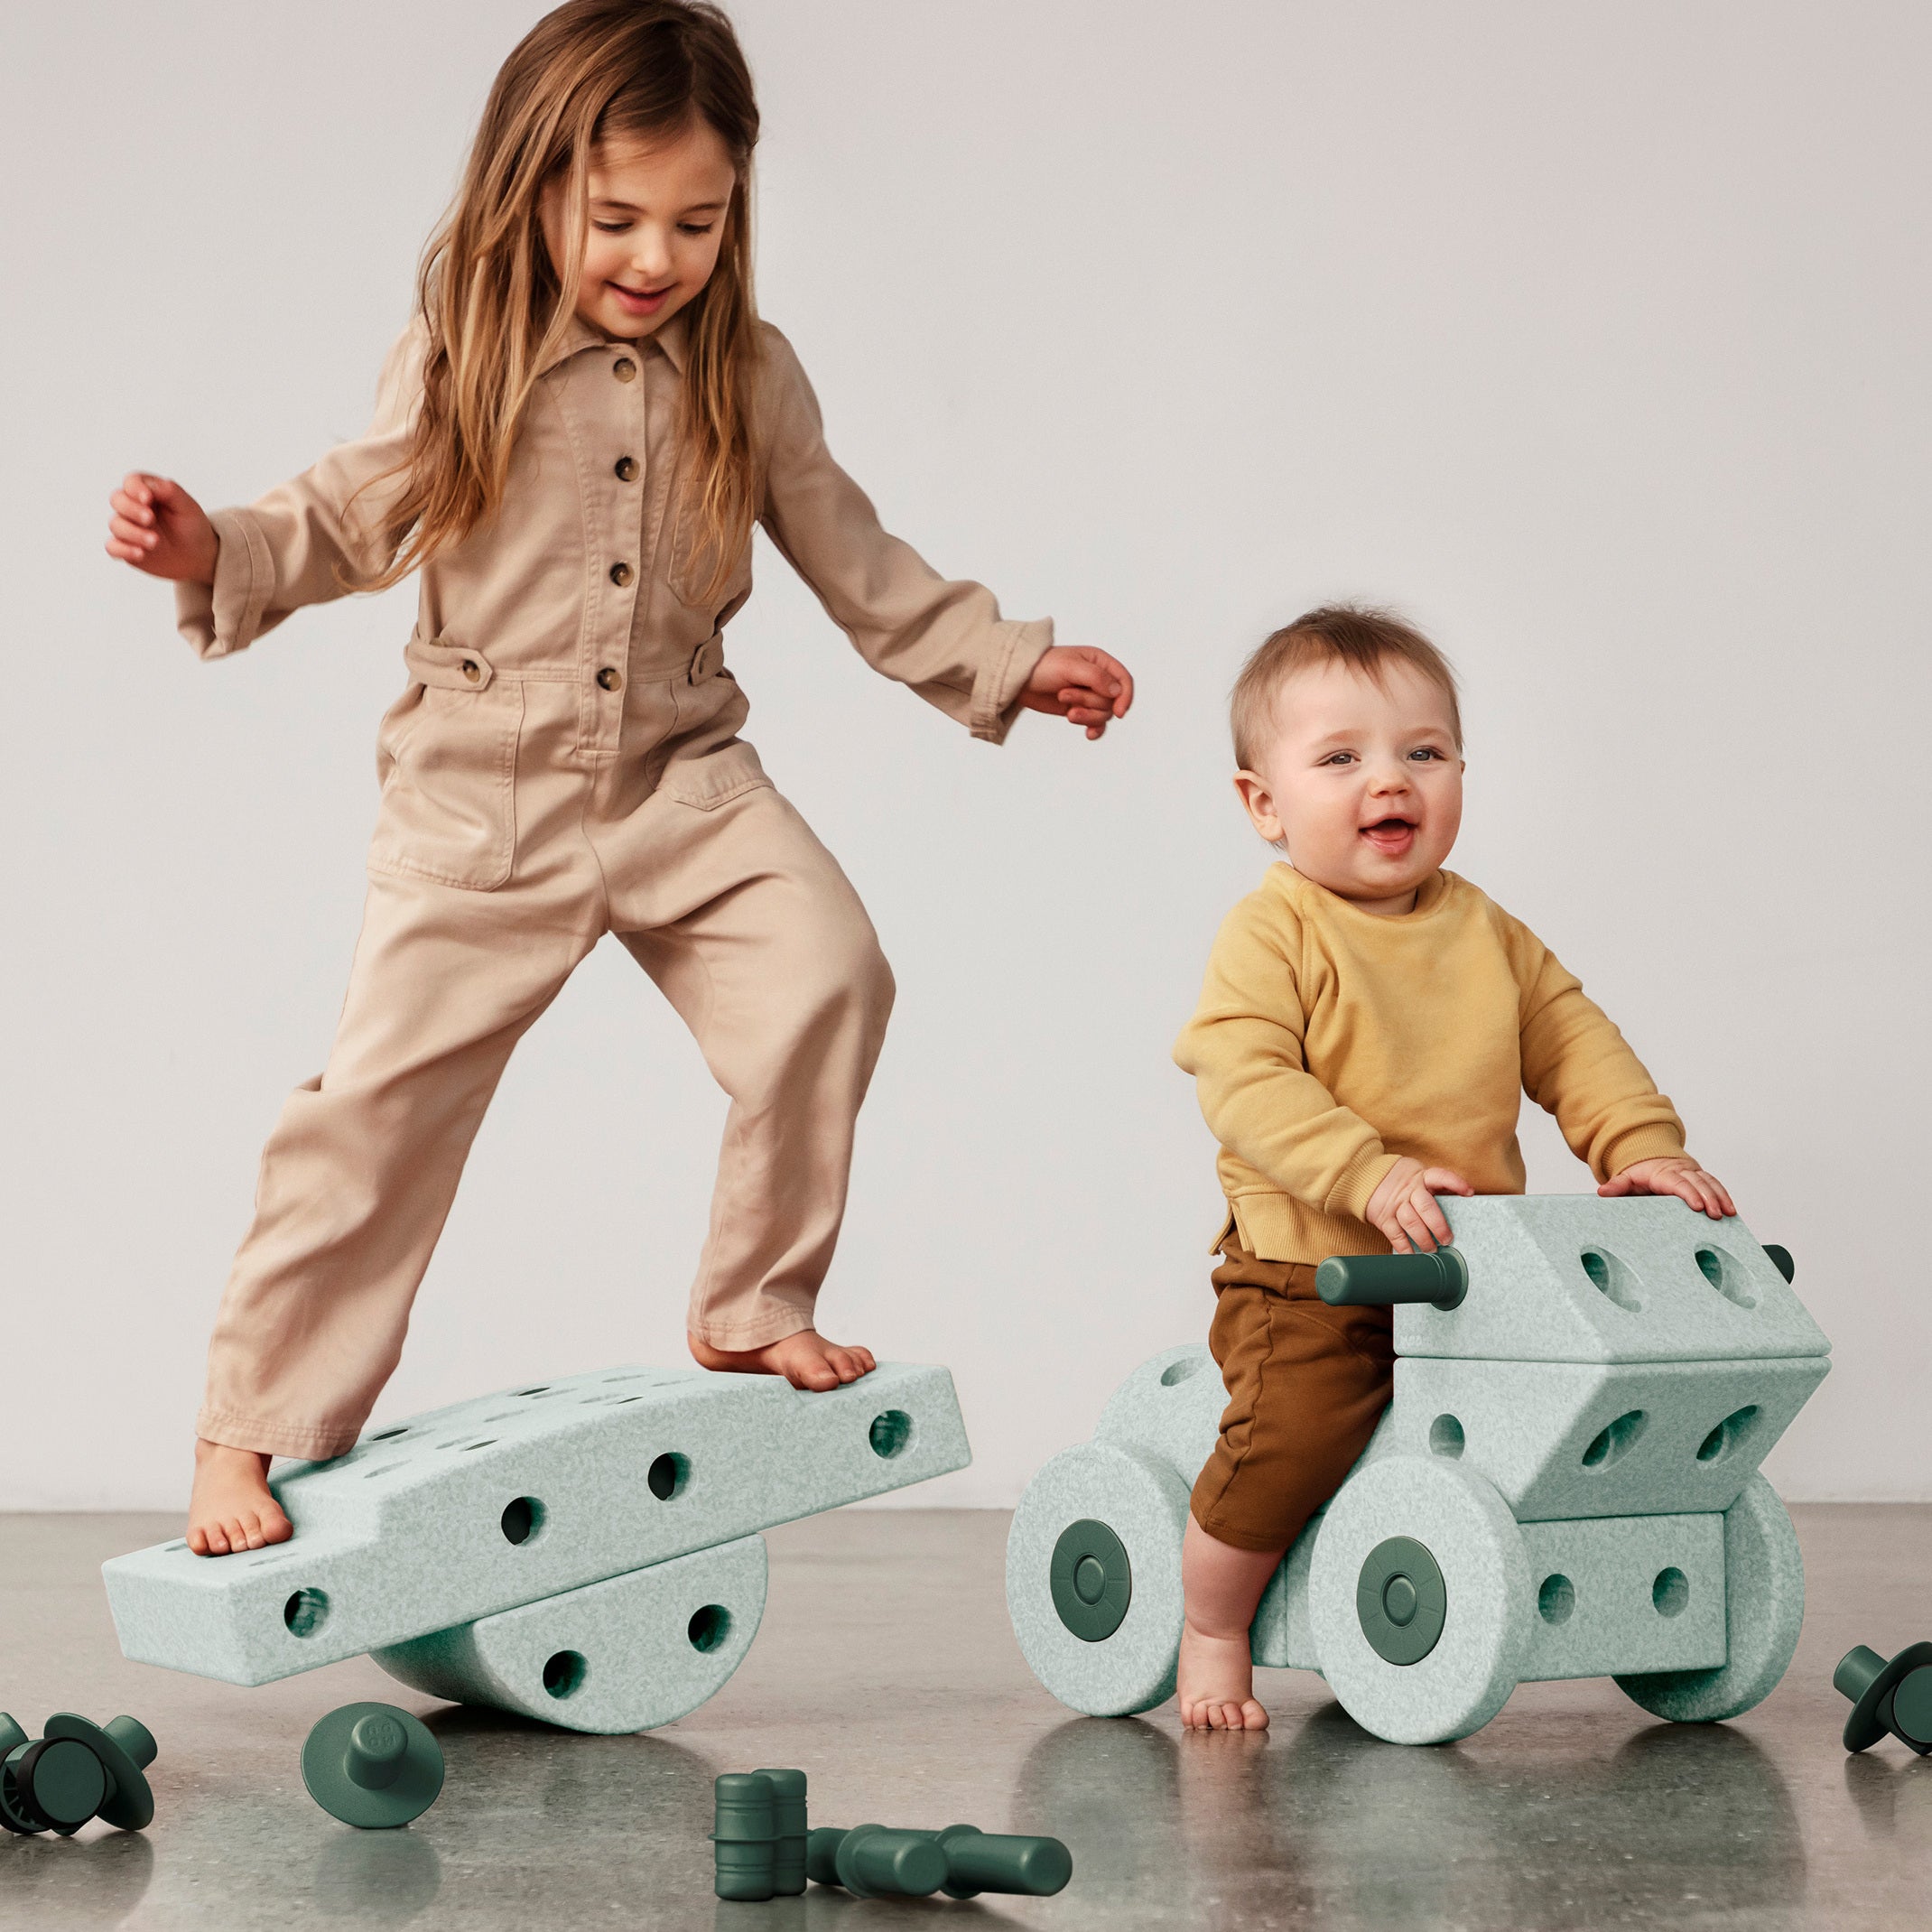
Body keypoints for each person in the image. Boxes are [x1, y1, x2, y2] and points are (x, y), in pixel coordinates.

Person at [103, 0, 1132, 1558]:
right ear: (532, 190)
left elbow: (857, 556)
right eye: (617, 219)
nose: (657, 257)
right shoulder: (470, 351)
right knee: (375, 1116)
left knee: (830, 973)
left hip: (680, 775)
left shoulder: (750, 376)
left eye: (696, 224)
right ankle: (244, 1428)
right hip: (483, 797)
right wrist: (212, 548)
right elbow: (349, 513)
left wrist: (1002, 662)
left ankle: (752, 1302)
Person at [1171, 604, 1729, 1730]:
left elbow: (1575, 1042)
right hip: (1314, 1272)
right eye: (1341, 758)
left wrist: (1642, 1147)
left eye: (1423, 751)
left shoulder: (1489, 932)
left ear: (1460, 772)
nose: (1390, 779)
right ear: (1264, 803)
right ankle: (1212, 1624)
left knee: (1553, 1419)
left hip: (1470, 1273)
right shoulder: (1274, 931)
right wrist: (1365, 1172)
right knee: (1293, 1437)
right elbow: (1242, 1076)